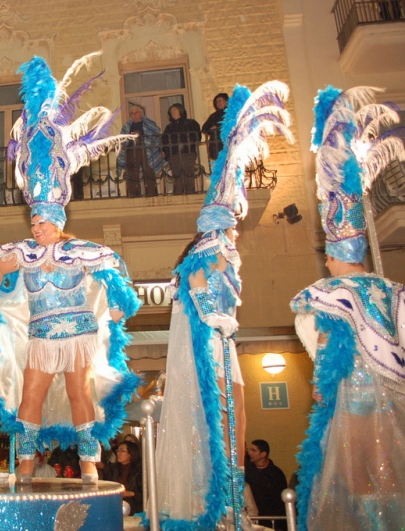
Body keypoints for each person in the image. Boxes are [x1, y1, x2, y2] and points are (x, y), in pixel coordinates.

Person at [0, 53, 141, 486]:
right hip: (41, 335)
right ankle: (26, 465)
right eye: (33, 221)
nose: (37, 227)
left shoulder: (82, 250)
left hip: (79, 333)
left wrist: (119, 306)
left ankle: (89, 465)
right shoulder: (21, 252)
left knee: (78, 393)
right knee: (30, 395)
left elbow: (116, 270)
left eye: (44, 222)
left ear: (59, 221)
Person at [154, 82, 292, 531]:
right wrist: (211, 314)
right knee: (218, 417)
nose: (236, 226)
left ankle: (233, 501)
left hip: (224, 340)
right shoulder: (208, 250)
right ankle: (216, 505)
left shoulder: (228, 253)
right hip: (208, 340)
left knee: (238, 417)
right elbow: (193, 279)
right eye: (232, 219)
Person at [291, 86, 405, 531]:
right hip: (394, 395)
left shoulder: (329, 292)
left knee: (358, 481)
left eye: (328, 254)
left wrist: (321, 386)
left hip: (352, 396)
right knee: (390, 476)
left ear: (333, 253)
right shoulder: (391, 289)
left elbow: (324, 340)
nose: (326, 262)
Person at [117, 104, 163, 197]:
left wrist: (160, 149)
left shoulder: (149, 124)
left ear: (141, 113)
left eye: (136, 112)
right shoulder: (127, 126)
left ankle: (151, 194)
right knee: (132, 174)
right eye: (132, 113)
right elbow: (122, 141)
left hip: (145, 151)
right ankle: (134, 195)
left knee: (149, 172)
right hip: (131, 151)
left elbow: (157, 136)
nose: (134, 115)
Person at [245, 440, 287, 529]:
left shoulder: (276, 474)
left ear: (263, 454)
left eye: (254, 450)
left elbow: (280, 502)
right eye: (250, 450)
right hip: (251, 519)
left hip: (271, 520)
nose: (250, 453)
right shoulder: (246, 471)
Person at [161, 103, 201, 195]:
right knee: (177, 174)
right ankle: (178, 194)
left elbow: (197, 134)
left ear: (180, 111)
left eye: (174, 110)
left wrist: (193, 141)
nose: (172, 112)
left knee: (188, 173)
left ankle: (190, 193)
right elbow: (165, 140)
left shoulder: (190, 123)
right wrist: (164, 150)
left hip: (187, 152)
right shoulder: (169, 127)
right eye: (171, 111)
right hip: (174, 154)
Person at [103, 441, 142, 515]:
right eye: (118, 450)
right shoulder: (112, 469)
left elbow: (144, 494)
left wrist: (129, 493)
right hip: (114, 505)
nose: (118, 453)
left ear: (131, 454)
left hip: (135, 509)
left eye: (122, 451)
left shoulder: (139, 470)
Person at [202, 93, 229, 161]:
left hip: (228, 144)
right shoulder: (214, 116)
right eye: (216, 102)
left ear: (226, 101)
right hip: (216, 146)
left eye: (220, 100)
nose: (218, 103)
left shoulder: (231, 113)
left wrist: (218, 127)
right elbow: (204, 128)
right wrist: (210, 129)